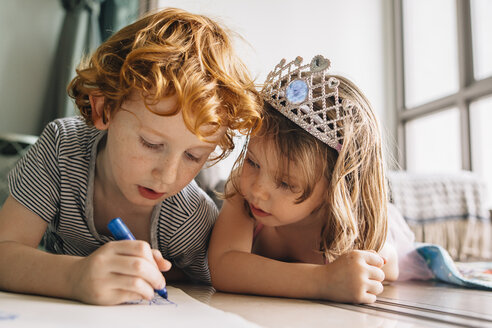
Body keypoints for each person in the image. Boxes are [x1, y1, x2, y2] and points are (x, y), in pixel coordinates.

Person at [0, 8, 261, 305]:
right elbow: (5, 250)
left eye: (193, 156)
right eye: (150, 143)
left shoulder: (188, 217)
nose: (167, 175)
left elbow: (213, 290)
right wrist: (75, 276)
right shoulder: (61, 149)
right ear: (104, 109)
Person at [208, 55, 400, 304]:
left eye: (286, 183)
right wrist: (322, 281)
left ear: (335, 189)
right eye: (253, 162)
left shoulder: (349, 222)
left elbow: (390, 268)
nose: (257, 189)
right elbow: (224, 267)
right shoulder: (241, 191)